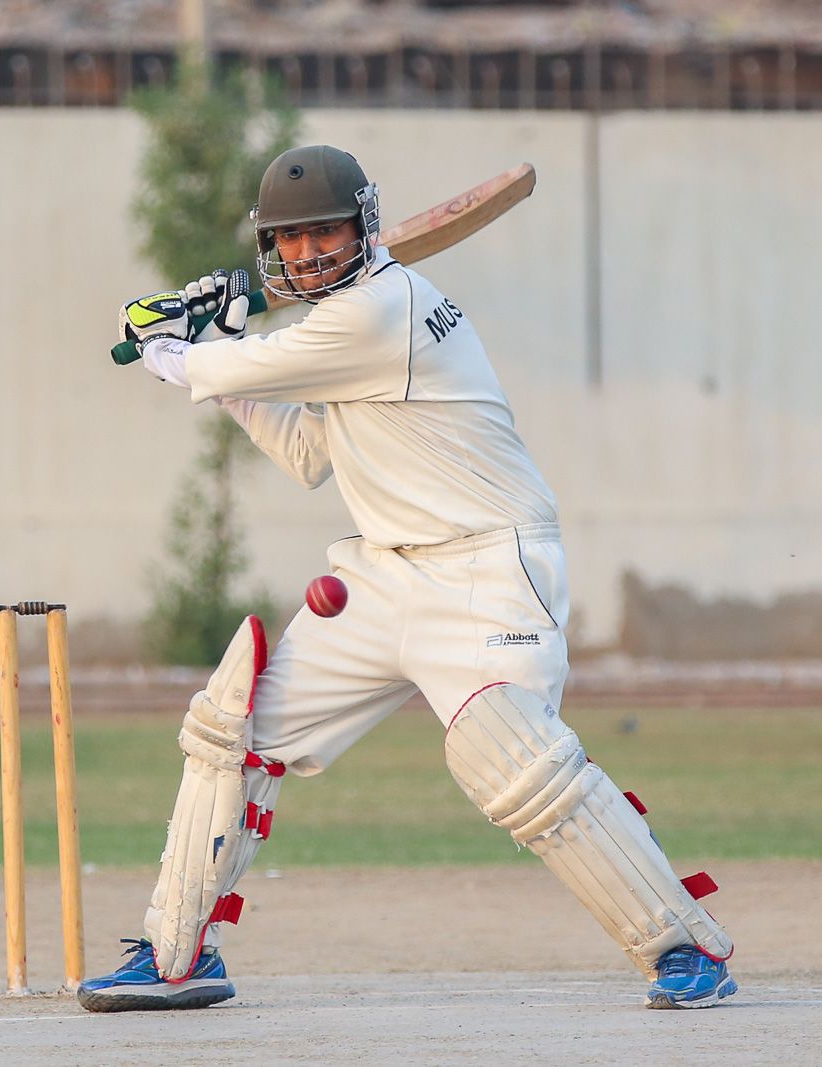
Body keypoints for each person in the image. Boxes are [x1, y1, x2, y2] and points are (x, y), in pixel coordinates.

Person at [83, 145, 736, 1012]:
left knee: (510, 757)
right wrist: (218, 354)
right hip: (384, 572)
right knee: (232, 729)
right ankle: (178, 953)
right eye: (290, 240)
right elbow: (308, 451)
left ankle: (685, 945)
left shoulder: (379, 310)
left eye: (325, 233)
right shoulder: (342, 328)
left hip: (487, 569)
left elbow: (238, 367)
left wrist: (179, 349)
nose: (308, 253)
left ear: (364, 228)